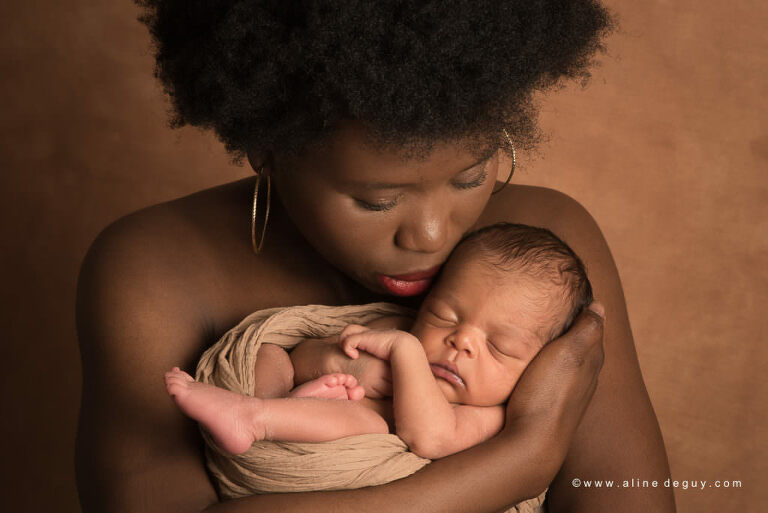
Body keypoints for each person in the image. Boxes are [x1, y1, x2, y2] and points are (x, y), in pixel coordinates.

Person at [76, 2, 675, 512]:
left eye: (471, 177)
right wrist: (522, 458)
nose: (432, 235)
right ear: (267, 149)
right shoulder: (156, 269)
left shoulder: (547, 241)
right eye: (377, 199)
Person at [164, 223, 594, 462]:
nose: (460, 340)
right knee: (270, 351)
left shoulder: (488, 415)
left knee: (370, 423)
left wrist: (403, 354)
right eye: (444, 315)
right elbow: (301, 354)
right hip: (292, 410)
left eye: (499, 347)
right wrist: (340, 362)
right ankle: (272, 407)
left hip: (338, 457)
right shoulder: (394, 327)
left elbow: (432, 440)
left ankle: (257, 419)